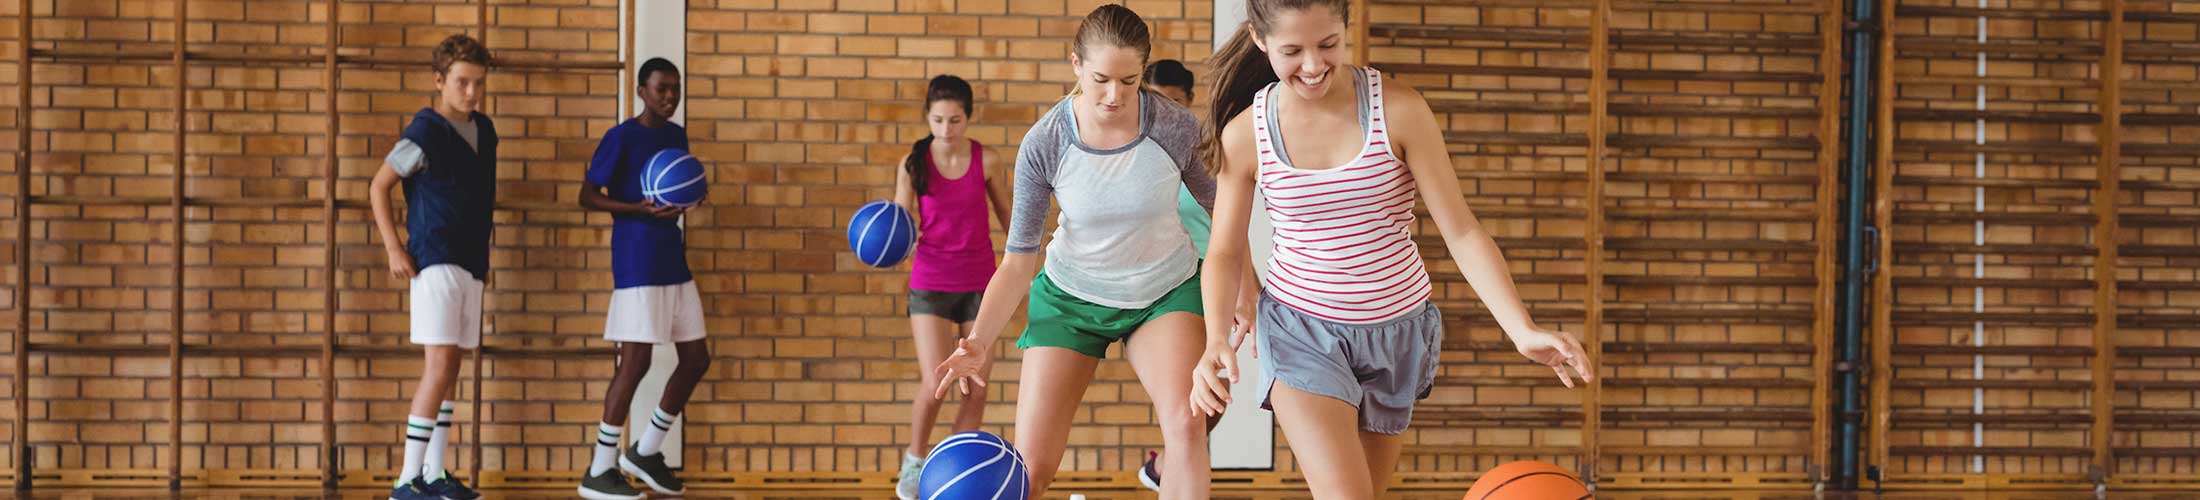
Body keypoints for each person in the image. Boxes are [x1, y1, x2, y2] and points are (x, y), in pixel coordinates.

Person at [1189, 1, 1597, 498]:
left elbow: (1462, 231)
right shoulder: (1247, 134)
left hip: (1398, 334)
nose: (1314, 66)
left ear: (1345, 30)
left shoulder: (1399, 111)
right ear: (1259, 39)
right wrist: (1213, 339)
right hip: (1301, 330)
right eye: (1292, 51)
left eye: (1328, 45)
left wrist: (1521, 328)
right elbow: (1225, 251)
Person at [931, 5, 1250, 499]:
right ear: (1076, 63)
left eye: (1129, 79)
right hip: (1070, 297)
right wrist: (978, 341)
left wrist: (1247, 293)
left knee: (1187, 428)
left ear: (1144, 71)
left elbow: (1224, 219)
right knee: (1031, 471)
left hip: (1163, 292)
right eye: (1101, 78)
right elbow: (1018, 262)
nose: (1114, 95)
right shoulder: (1046, 142)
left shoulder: (1174, 127)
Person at [572, 57, 713, 500]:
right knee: (636, 363)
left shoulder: (675, 135)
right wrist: (638, 208)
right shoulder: (621, 137)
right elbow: (587, 196)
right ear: (641, 91)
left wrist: (691, 195)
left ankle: (647, 450)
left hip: (673, 259)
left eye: (675, 89)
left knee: (695, 359)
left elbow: (682, 185)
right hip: (637, 262)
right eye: (661, 89)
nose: (670, 97)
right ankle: (599, 468)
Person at [370, 33, 495, 500]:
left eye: (478, 83)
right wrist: (393, 248)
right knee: (438, 367)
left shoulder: (485, 130)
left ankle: (436, 473)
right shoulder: (423, 132)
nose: (471, 93)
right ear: (439, 80)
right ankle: (406, 479)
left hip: (470, 264)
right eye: (462, 82)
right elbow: (377, 187)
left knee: (452, 369)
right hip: (435, 261)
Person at [891, 74, 1014, 500]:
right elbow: (898, 229)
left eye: (955, 121)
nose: (946, 130)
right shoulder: (912, 164)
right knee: (935, 381)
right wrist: (883, 242)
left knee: (974, 383)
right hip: (930, 283)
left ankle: (952, 468)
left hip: (981, 283)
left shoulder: (989, 161)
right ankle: (914, 462)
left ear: (968, 118)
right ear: (928, 117)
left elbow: (1011, 221)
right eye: (938, 120)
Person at [1133, 58, 1230, 493]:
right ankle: (1172, 464)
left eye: (1175, 102)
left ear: (1189, 102)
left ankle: (1165, 465)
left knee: (1216, 397)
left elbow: (1228, 222)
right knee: (1188, 402)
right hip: (1171, 284)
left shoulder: (1204, 150)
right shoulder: (1138, 157)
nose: (1167, 112)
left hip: (1213, 276)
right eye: (1157, 102)